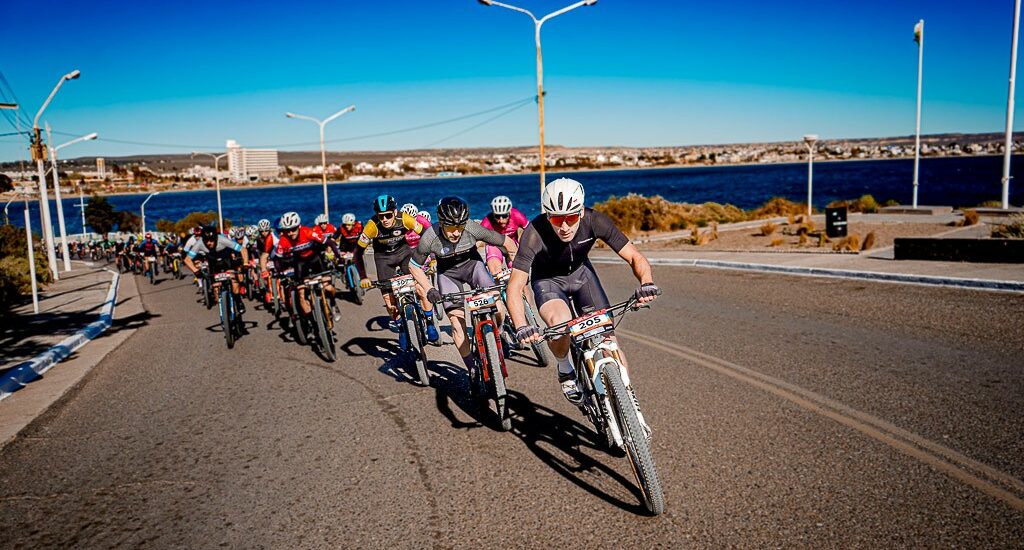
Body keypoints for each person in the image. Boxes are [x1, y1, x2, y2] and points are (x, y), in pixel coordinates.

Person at [506, 178, 660, 403]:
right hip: (548, 281)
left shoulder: (595, 220)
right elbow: (515, 287)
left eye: (571, 217)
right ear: (548, 215)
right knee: (560, 324)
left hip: (581, 275)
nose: (565, 226)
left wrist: (646, 282)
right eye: (557, 218)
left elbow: (635, 256)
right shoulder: (533, 233)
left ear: (580, 212)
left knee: (610, 342)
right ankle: (565, 367)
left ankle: (628, 402)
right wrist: (521, 326)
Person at [408, 196, 518, 386]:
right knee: (457, 326)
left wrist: (515, 272)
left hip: (473, 266)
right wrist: (429, 288)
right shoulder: (430, 237)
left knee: (498, 306)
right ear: (441, 223)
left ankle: (496, 334)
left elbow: (507, 243)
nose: (456, 232)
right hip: (448, 275)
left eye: (460, 226)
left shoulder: (471, 228)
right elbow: (414, 265)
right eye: (450, 227)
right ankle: (472, 367)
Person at [354, 194, 437, 343]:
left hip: (404, 254)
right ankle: (401, 328)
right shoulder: (372, 226)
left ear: (395, 212)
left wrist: (432, 258)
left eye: (388, 215)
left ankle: (430, 322)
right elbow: (358, 253)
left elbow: (426, 234)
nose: (385, 219)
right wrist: (363, 277)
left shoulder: (405, 219)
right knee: (388, 299)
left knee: (420, 286)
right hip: (383, 259)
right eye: (381, 216)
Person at [274, 211, 342, 321]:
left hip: (315, 260)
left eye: (293, 229)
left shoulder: (308, 232)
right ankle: (312, 321)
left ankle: (333, 305)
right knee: (301, 293)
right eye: (287, 230)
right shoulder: (284, 240)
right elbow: (278, 259)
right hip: (300, 264)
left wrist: (339, 256)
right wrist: (279, 272)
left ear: (299, 226)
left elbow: (329, 242)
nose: (290, 233)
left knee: (328, 287)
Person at [184, 225, 250, 313]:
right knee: (215, 288)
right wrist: (196, 271)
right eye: (206, 241)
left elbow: (243, 249)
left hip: (226, 260)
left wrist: (245, 263)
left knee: (233, 278)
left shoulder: (222, 239)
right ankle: (224, 310)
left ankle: (238, 301)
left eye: (211, 240)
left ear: (216, 238)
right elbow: (187, 260)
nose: (209, 243)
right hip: (213, 262)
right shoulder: (199, 243)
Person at [480, 195, 530, 275]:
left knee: (518, 274)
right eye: (497, 216)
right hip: (495, 246)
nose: (501, 220)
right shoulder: (487, 220)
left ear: (509, 212)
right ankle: (498, 285)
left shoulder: (517, 216)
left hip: (512, 245)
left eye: (504, 216)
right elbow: (476, 241)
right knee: (496, 273)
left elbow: (531, 233)